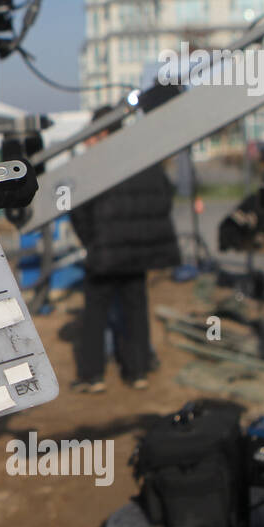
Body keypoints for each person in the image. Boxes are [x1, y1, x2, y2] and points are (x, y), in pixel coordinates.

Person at [70, 107, 181, 393]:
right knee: (136, 310)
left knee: (95, 314)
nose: (88, 141)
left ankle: (92, 376)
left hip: (104, 251)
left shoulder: (93, 163)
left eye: (93, 134)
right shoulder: (143, 157)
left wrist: (91, 240)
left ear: (103, 132)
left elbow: (78, 209)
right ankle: (137, 371)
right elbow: (165, 196)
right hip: (138, 253)